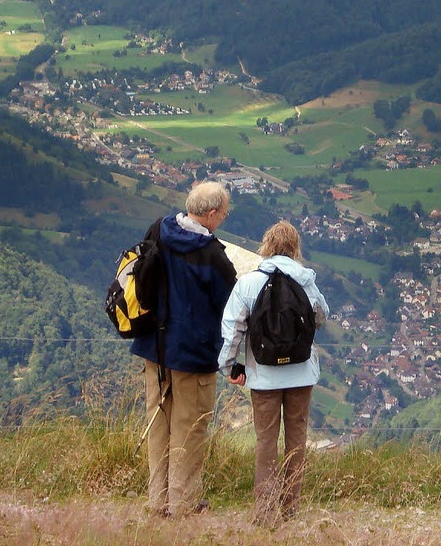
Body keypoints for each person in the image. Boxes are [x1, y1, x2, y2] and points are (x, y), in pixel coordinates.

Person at [131, 181, 237, 518]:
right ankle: (183, 504)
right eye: (222, 213)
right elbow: (229, 307)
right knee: (190, 428)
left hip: (155, 347)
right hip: (193, 354)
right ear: (210, 214)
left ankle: (157, 500)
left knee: (159, 424)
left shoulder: (159, 230)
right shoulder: (212, 256)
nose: (223, 218)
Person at [218, 220, 329, 526]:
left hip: (263, 376)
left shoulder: (249, 283)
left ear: (266, 245)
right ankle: (291, 510)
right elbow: (321, 317)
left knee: (266, 442)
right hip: (301, 375)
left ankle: (265, 514)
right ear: (296, 247)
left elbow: (232, 331)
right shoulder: (306, 280)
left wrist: (230, 368)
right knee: (296, 440)